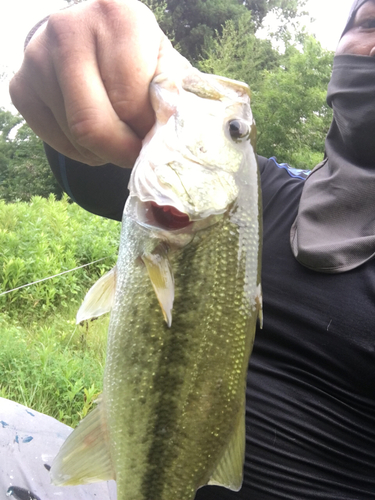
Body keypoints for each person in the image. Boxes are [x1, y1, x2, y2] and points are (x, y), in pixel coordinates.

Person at [6, 0, 375, 498]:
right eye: (369, 24)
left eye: (233, 133)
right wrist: (71, 45)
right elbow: (83, 145)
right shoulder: (252, 195)